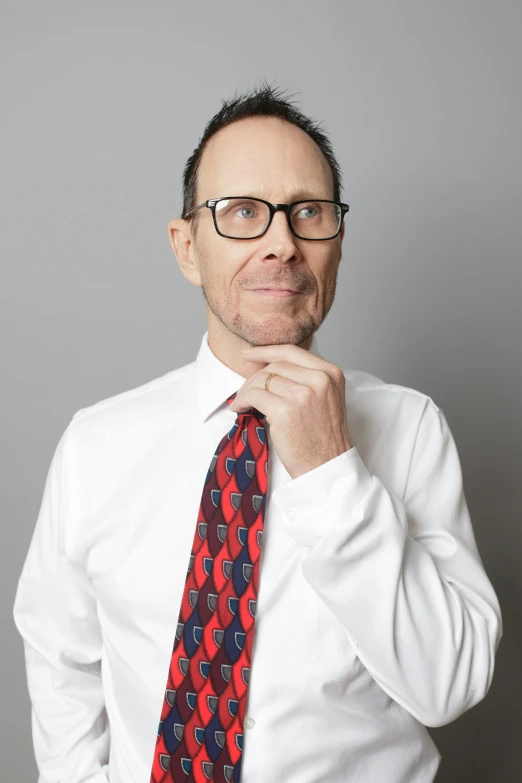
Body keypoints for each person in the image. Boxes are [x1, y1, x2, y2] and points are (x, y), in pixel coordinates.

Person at [13, 83, 503, 783]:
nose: (282, 244)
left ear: (337, 244)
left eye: (309, 213)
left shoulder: (411, 429)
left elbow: (447, 685)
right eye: (243, 212)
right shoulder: (96, 446)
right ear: (187, 249)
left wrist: (333, 470)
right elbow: (59, 655)